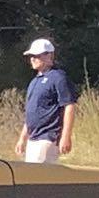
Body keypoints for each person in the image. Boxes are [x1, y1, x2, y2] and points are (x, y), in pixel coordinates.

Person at [21, 36, 76, 165]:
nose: (33, 59)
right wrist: (23, 138)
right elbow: (31, 112)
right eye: (31, 56)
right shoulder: (34, 81)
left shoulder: (58, 77)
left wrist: (65, 136)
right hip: (33, 138)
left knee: (37, 178)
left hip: (47, 137)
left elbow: (69, 106)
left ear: (49, 56)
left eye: (37, 55)